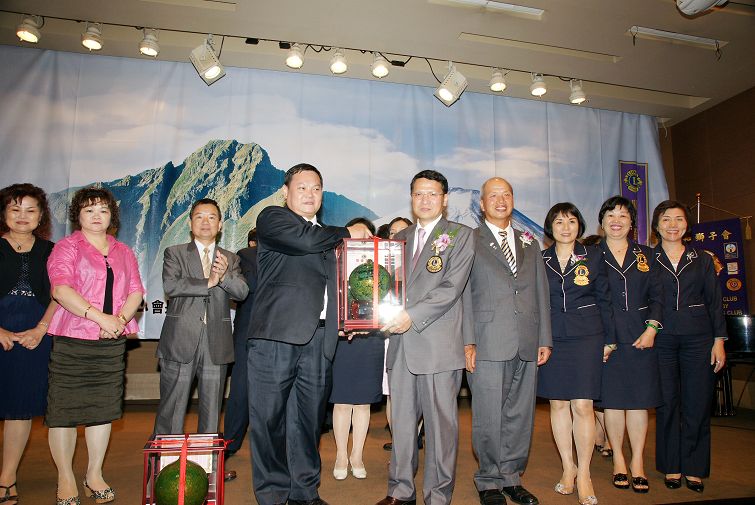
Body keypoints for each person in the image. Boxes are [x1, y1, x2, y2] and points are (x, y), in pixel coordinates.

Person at [247, 163, 372, 505]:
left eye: (316, 188)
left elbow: (341, 285)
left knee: (307, 421)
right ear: (285, 192)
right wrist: (349, 232)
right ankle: (273, 495)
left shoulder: (329, 238)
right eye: (301, 187)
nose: (309, 194)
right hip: (275, 337)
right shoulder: (273, 219)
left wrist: (348, 319)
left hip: (320, 339)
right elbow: (304, 240)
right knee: (269, 420)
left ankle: (304, 492)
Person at [376, 170, 474, 505]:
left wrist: (410, 315)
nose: (425, 200)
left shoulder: (460, 235)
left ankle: (438, 495)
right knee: (402, 424)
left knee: (440, 428)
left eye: (432, 194)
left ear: (444, 199)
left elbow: (451, 288)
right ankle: (400, 490)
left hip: (438, 345)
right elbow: (384, 285)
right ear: (411, 198)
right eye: (419, 193)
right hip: (401, 345)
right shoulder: (398, 238)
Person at [46, 186, 145, 505]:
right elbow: (61, 290)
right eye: (89, 210)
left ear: (112, 215)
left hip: (110, 342)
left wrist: (118, 320)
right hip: (73, 338)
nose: (96, 215)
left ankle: (94, 474)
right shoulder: (66, 247)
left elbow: (136, 291)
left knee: (102, 410)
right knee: (64, 411)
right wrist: (99, 318)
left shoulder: (123, 251)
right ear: (78, 215)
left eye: (103, 210)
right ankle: (65, 477)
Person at [463, 177, 552, 505]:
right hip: (487, 340)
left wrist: (545, 338)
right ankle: (488, 479)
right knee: (488, 415)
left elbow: (541, 291)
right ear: (482, 204)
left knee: (520, 414)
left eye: (506, 195)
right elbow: (463, 294)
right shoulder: (470, 240)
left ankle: (512, 477)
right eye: (493, 196)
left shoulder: (529, 242)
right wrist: (467, 340)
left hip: (527, 339)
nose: (501, 201)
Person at [538, 202, 615, 505]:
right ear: (550, 227)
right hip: (552, 336)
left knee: (583, 405)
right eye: (559, 222)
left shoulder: (594, 255)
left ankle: (584, 473)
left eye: (571, 221)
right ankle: (568, 467)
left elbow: (606, 298)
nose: (565, 227)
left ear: (580, 225)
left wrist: (610, 340)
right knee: (558, 404)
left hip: (587, 335)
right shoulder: (540, 258)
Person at [154, 198, 248, 440]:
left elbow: (242, 292)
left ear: (220, 225)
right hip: (180, 339)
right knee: (172, 407)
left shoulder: (230, 259)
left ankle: (205, 461)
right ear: (190, 223)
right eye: (199, 217)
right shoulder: (175, 253)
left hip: (216, 343)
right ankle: (168, 461)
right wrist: (209, 282)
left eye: (211, 217)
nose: (205, 222)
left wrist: (224, 276)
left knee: (211, 410)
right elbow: (171, 286)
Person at [651, 200, 726, 493]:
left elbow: (715, 302)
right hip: (662, 338)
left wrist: (719, 341)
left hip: (699, 337)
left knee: (697, 403)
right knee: (667, 403)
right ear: (657, 225)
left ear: (687, 225)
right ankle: (671, 465)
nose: (673, 225)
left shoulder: (703, 258)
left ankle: (694, 468)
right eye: (666, 219)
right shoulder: (647, 258)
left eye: (679, 219)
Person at [595, 196, 663, 493]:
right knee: (612, 402)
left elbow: (658, 296)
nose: (616, 220)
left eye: (623, 215)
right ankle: (619, 460)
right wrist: (601, 338)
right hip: (606, 337)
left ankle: (637, 462)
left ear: (632, 223)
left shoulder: (647, 255)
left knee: (638, 402)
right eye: (610, 215)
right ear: (601, 222)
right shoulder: (591, 255)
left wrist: (652, 329)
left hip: (640, 336)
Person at [0, 184, 56, 505]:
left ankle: (7, 478)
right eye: (15, 209)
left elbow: (59, 294)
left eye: (30, 210)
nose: (23, 216)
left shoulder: (51, 250)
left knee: (19, 409)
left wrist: (41, 329)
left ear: (40, 216)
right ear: (4, 213)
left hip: (34, 335)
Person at [330, 217, 385, 481]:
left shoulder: (382, 265)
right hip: (343, 338)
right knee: (342, 402)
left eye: (366, 236)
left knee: (363, 403)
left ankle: (357, 455)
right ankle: (341, 455)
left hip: (371, 338)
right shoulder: (336, 261)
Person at [223, 227, 258, 459]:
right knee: (240, 389)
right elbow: (246, 288)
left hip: (280, 332)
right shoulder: (246, 255)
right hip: (248, 333)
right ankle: (231, 441)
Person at [380, 216, 413, 453]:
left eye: (403, 231)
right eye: (393, 232)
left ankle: (413, 440)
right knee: (392, 393)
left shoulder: (420, 264)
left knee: (415, 394)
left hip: (415, 335)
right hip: (386, 337)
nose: (398, 236)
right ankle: (399, 444)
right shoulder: (379, 265)